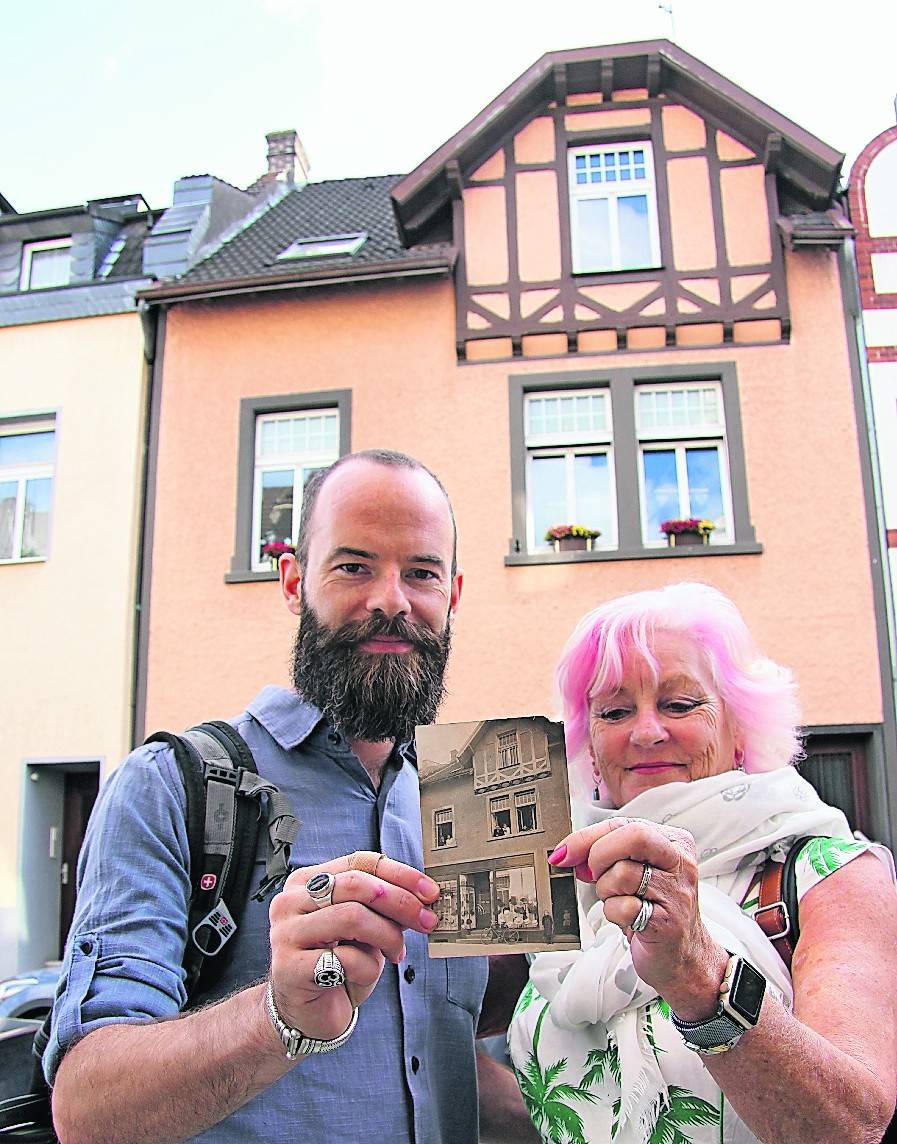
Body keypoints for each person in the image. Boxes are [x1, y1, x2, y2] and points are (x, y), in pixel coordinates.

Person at [46, 450, 528, 1144]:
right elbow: (88, 1111)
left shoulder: (480, 792)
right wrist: (279, 1015)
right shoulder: (170, 785)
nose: (391, 599)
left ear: (451, 596)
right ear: (294, 581)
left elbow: (455, 1050)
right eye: (354, 566)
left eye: (420, 573)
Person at [508, 582, 897, 1144]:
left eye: (680, 704)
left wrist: (696, 970)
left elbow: (853, 1126)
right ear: (588, 746)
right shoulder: (558, 883)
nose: (645, 731)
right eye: (615, 711)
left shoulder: (828, 871)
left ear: (741, 729)